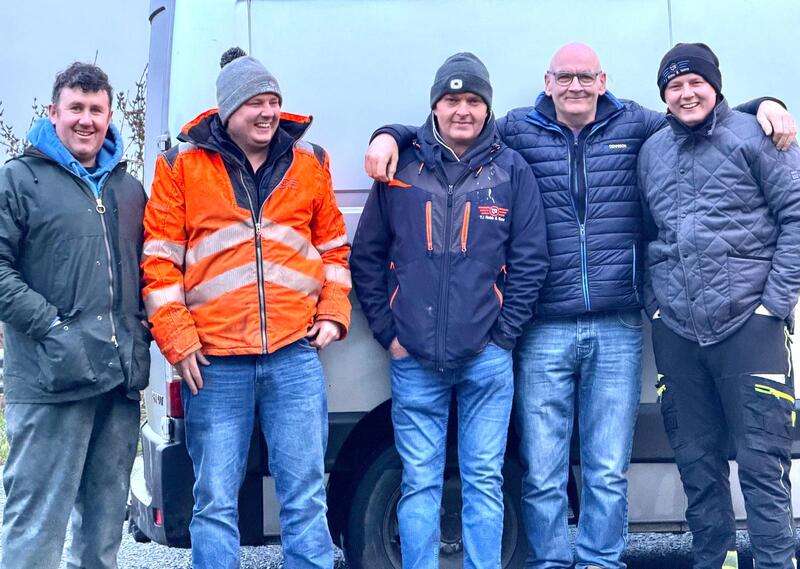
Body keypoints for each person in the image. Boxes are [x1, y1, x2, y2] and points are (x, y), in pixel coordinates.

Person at [363, 43, 797, 569]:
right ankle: (550, 561)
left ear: (602, 80)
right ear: (547, 82)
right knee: (543, 470)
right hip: (545, 327)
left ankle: (600, 562)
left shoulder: (636, 125)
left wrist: (763, 105)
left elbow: (697, 114)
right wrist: (390, 134)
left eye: (585, 77)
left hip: (616, 324)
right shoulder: (517, 130)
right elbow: (455, 127)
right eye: (564, 77)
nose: (575, 86)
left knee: (607, 468)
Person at [142, 47, 351, 569]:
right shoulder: (180, 168)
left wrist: (333, 311)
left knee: (306, 498)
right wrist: (177, 339)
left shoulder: (310, 163)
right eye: (256, 102)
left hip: (294, 355)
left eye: (274, 101)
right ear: (228, 109)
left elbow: (333, 249)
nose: (268, 112)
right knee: (215, 503)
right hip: (213, 364)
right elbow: (159, 264)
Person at [350, 52, 549, 569]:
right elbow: (366, 256)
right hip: (413, 358)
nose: (463, 110)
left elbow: (531, 260)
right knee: (419, 482)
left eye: (474, 101)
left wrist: (504, 335)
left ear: (487, 108)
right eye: (452, 99)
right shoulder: (401, 169)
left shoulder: (511, 170)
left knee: (484, 480)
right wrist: (388, 334)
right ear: (435, 106)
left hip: (487, 358)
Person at [639, 42, 800, 569]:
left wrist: (773, 306)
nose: (686, 93)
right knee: (697, 467)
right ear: (663, 94)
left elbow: (796, 218)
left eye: (696, 82)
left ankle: (776, 562)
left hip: (750, 327)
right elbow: (642, 236)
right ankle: (717, 563)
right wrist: (655, 308)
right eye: (674, 85)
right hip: (678, 332)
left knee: (762, 465)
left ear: (716, 85)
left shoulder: (759, 136)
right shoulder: (651, 151)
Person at [0, 62, 150, 569]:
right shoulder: (18, 180)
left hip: (117, 383)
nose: (86, 120)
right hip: (50, 382)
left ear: (109, 116)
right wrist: (51, 327)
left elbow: (149, 271)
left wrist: (141, 333)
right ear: (53, 112)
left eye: (96, 110)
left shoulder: (128, 189)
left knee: (101, 537)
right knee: (36, 533)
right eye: (76, 108)